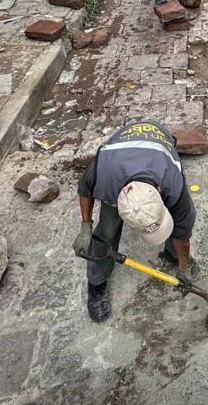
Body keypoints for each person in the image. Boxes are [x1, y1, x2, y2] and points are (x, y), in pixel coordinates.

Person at [71, 120, 198, 322]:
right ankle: (96, 282)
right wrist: (85, 227)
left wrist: (184, 267)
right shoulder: (104, 171)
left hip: (157, 135)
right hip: (120, 155)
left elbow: (183, 231)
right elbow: (85, 190)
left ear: (159, 192)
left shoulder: (173, 183)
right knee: (106, 230)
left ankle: (173, 255)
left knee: (179, 222)